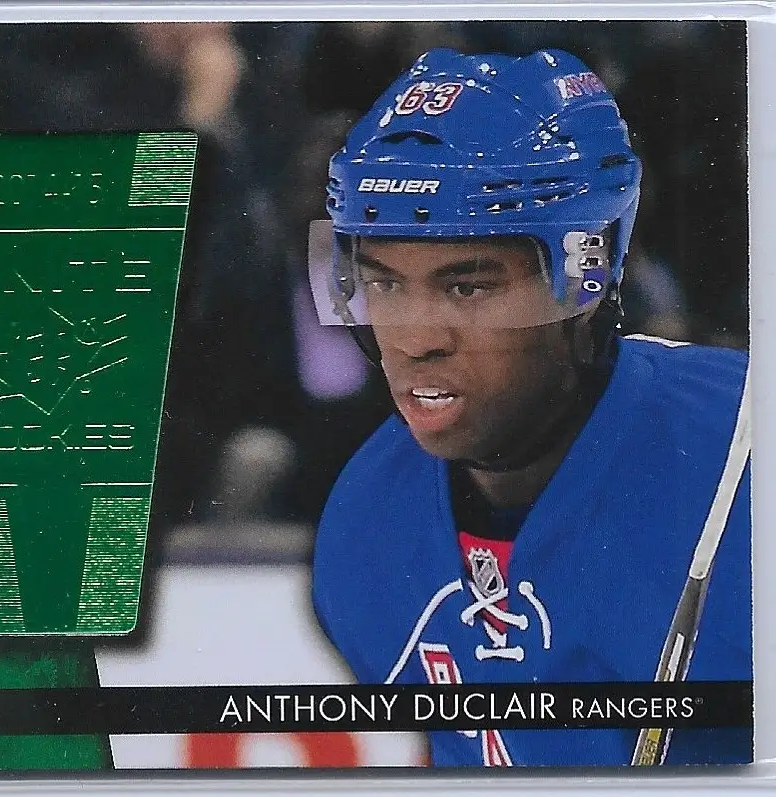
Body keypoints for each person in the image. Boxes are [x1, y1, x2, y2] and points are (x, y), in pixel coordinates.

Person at [309, 49, 751, 767]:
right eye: (383, 284)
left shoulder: (744, 460)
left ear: (584, 272)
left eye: (467, 287)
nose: (415, 341)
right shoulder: (366, 523)